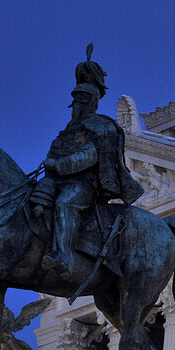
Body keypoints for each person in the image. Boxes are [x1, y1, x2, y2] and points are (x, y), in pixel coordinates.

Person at [31, 46, 143, 276]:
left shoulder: (102, 126)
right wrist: (51, 165)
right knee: (32, 200)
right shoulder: (70, 129)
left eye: (82, 101)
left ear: (91, 103)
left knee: (64, 204)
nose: (77, 106)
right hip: (56, 179)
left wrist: (59, 165)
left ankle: (62, 255)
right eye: (75, 101)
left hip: (83, 184)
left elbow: (89, 156)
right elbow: (57, 150)